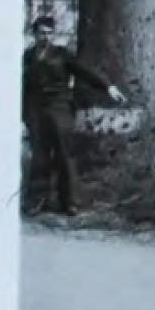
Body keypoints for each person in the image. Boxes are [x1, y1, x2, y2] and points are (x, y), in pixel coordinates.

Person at [21, 14, 125, 215]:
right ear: (34, 34)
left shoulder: (61, 55)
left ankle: (69, 202)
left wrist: (107, 87)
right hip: (36, 111)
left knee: (64, 155)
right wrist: (24, 114)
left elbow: (84, 72)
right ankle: (36, 201)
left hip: (59, 108)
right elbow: (22, 86)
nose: (46, 37)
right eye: (42, 33)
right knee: (39, 157)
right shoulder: (27, 56)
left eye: (50, 33)